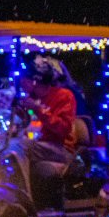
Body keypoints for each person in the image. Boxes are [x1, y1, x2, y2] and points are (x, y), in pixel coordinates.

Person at [15, 55, 80, 183]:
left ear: (35, 81)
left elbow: (63, 129)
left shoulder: (63, 96)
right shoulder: (28, 98)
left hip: (60, 148)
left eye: (25, 79)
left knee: (19, 146)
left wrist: (38, 109)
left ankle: (23, 192)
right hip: (37, 145)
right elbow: (22, 123)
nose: (22, 82)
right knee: (9, 146)